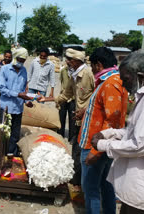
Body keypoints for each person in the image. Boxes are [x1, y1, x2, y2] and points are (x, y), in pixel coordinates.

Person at [91, 53, 144, 214]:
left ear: (140, 76)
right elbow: (135, 131)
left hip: (143, 188)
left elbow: (141, 144)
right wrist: (109, 133)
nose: (123, 85)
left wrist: (103, 144)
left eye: (126, 79)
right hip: (137, 188)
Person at [78, 47, 128, 214]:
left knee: (91, 188)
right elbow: (105, 108)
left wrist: (95, 150)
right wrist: (86, 112)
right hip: (103, 145)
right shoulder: (113, 81)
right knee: (106, 185)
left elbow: (112, 119)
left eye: (92, 66)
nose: (91, 70)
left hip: (97, 145)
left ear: (98, 65)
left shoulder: (110, 83)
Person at [40, 47, 95, 191]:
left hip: (89, 120)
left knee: (83, 150)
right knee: (76, 149)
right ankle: (76, 179)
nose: (67, 61)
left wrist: (85, 110)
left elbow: (97, 96)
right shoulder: (73, 75)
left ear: (77, 61)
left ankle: (80, 182)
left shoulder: (89, 74)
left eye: (69, 59)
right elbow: (66, 94)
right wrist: (48, 99)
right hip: (78, 119)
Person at [0, 47, 33, 155]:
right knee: (5, 134)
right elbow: (2, 89)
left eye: (23, 61)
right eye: (19, 59)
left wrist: (26, 101)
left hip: (18, 108)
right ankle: (3, 156)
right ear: (15, 57)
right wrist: (18, 94)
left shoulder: (23, 71)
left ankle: (12, 154)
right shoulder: (4, 69)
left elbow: (23, 90)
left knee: (15, 134)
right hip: (7, 107)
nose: (21, 62)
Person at [58, 65, 75, 142]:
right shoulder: (63, 70)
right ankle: (60, 135)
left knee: (72, 117)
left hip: (73, 97)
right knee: (61, 116)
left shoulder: (77, 71)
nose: (68, 62)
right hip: (63, 96)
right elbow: (61, 81)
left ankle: (71, 137)